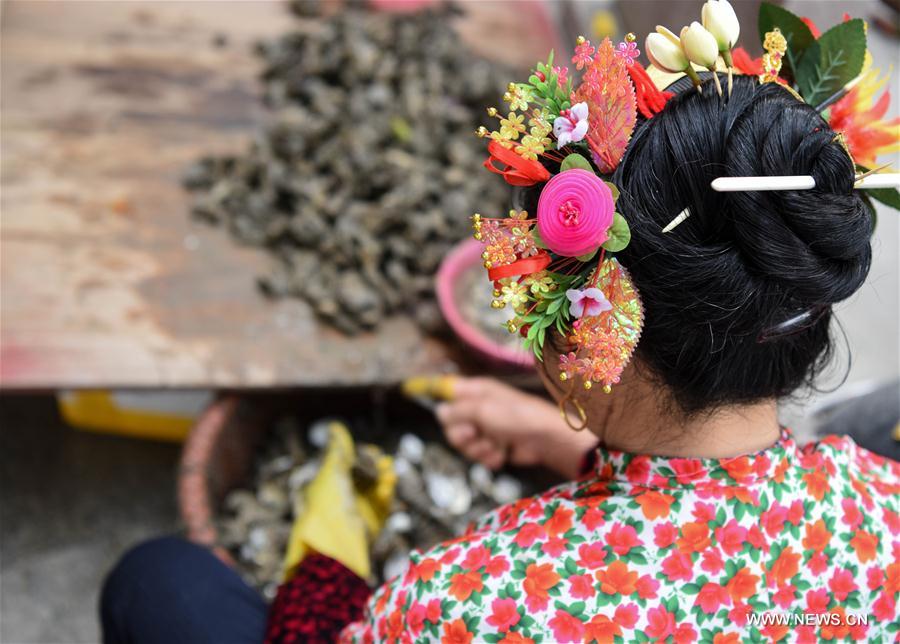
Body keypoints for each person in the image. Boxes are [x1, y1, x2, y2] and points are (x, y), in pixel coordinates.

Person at [101, 10, 900, 643]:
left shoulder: (464, 604)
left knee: (158, 583)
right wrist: (565, 444)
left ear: (593, 349)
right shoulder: (883, 513)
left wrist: (326, 580)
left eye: (536, 311)